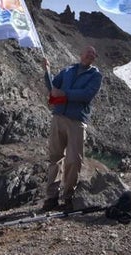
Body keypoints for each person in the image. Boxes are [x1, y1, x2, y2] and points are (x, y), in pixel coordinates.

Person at [41, 46, 103, 211]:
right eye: (87, 52)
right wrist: (46, 71)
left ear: (94, 58)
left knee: (74, 160)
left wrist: (65, 94)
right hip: (58, 116)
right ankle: (51, 197)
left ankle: (68, 196)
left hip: (76, 121)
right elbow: (53, 88)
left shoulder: (95, 75)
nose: (90, 55)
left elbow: (87, 95)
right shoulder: (67, 70)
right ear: (80, 54)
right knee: (55, 158)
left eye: (93, 54)